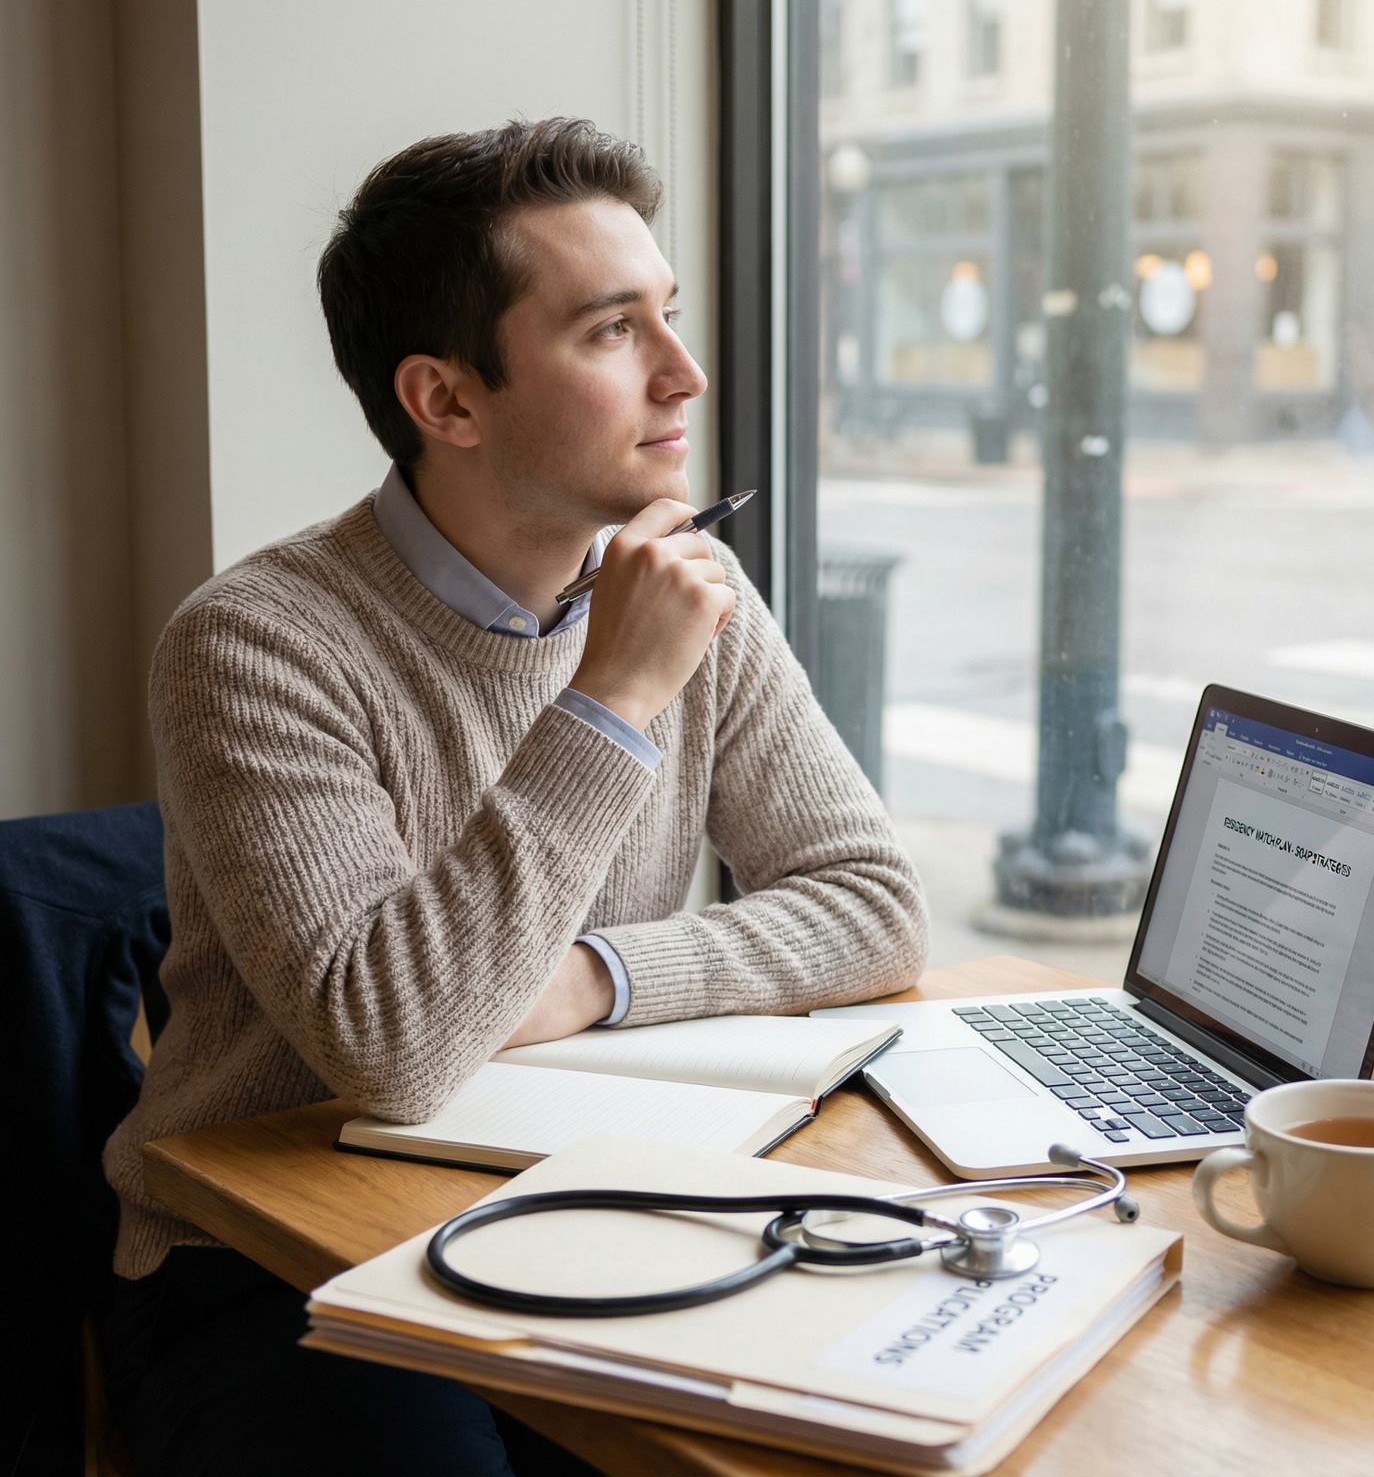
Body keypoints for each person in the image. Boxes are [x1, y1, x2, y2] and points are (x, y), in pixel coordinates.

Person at [103, 117, 929, 1476]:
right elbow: (398, 1046)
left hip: (578, 1202)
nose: (687, 373)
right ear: (448, 401)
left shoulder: (688, 598)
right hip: (263, 1266)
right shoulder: (249, 644)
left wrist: (592, 977)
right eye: (614, 333)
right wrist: (609, 702)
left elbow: (875, 907)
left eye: (668, 315)